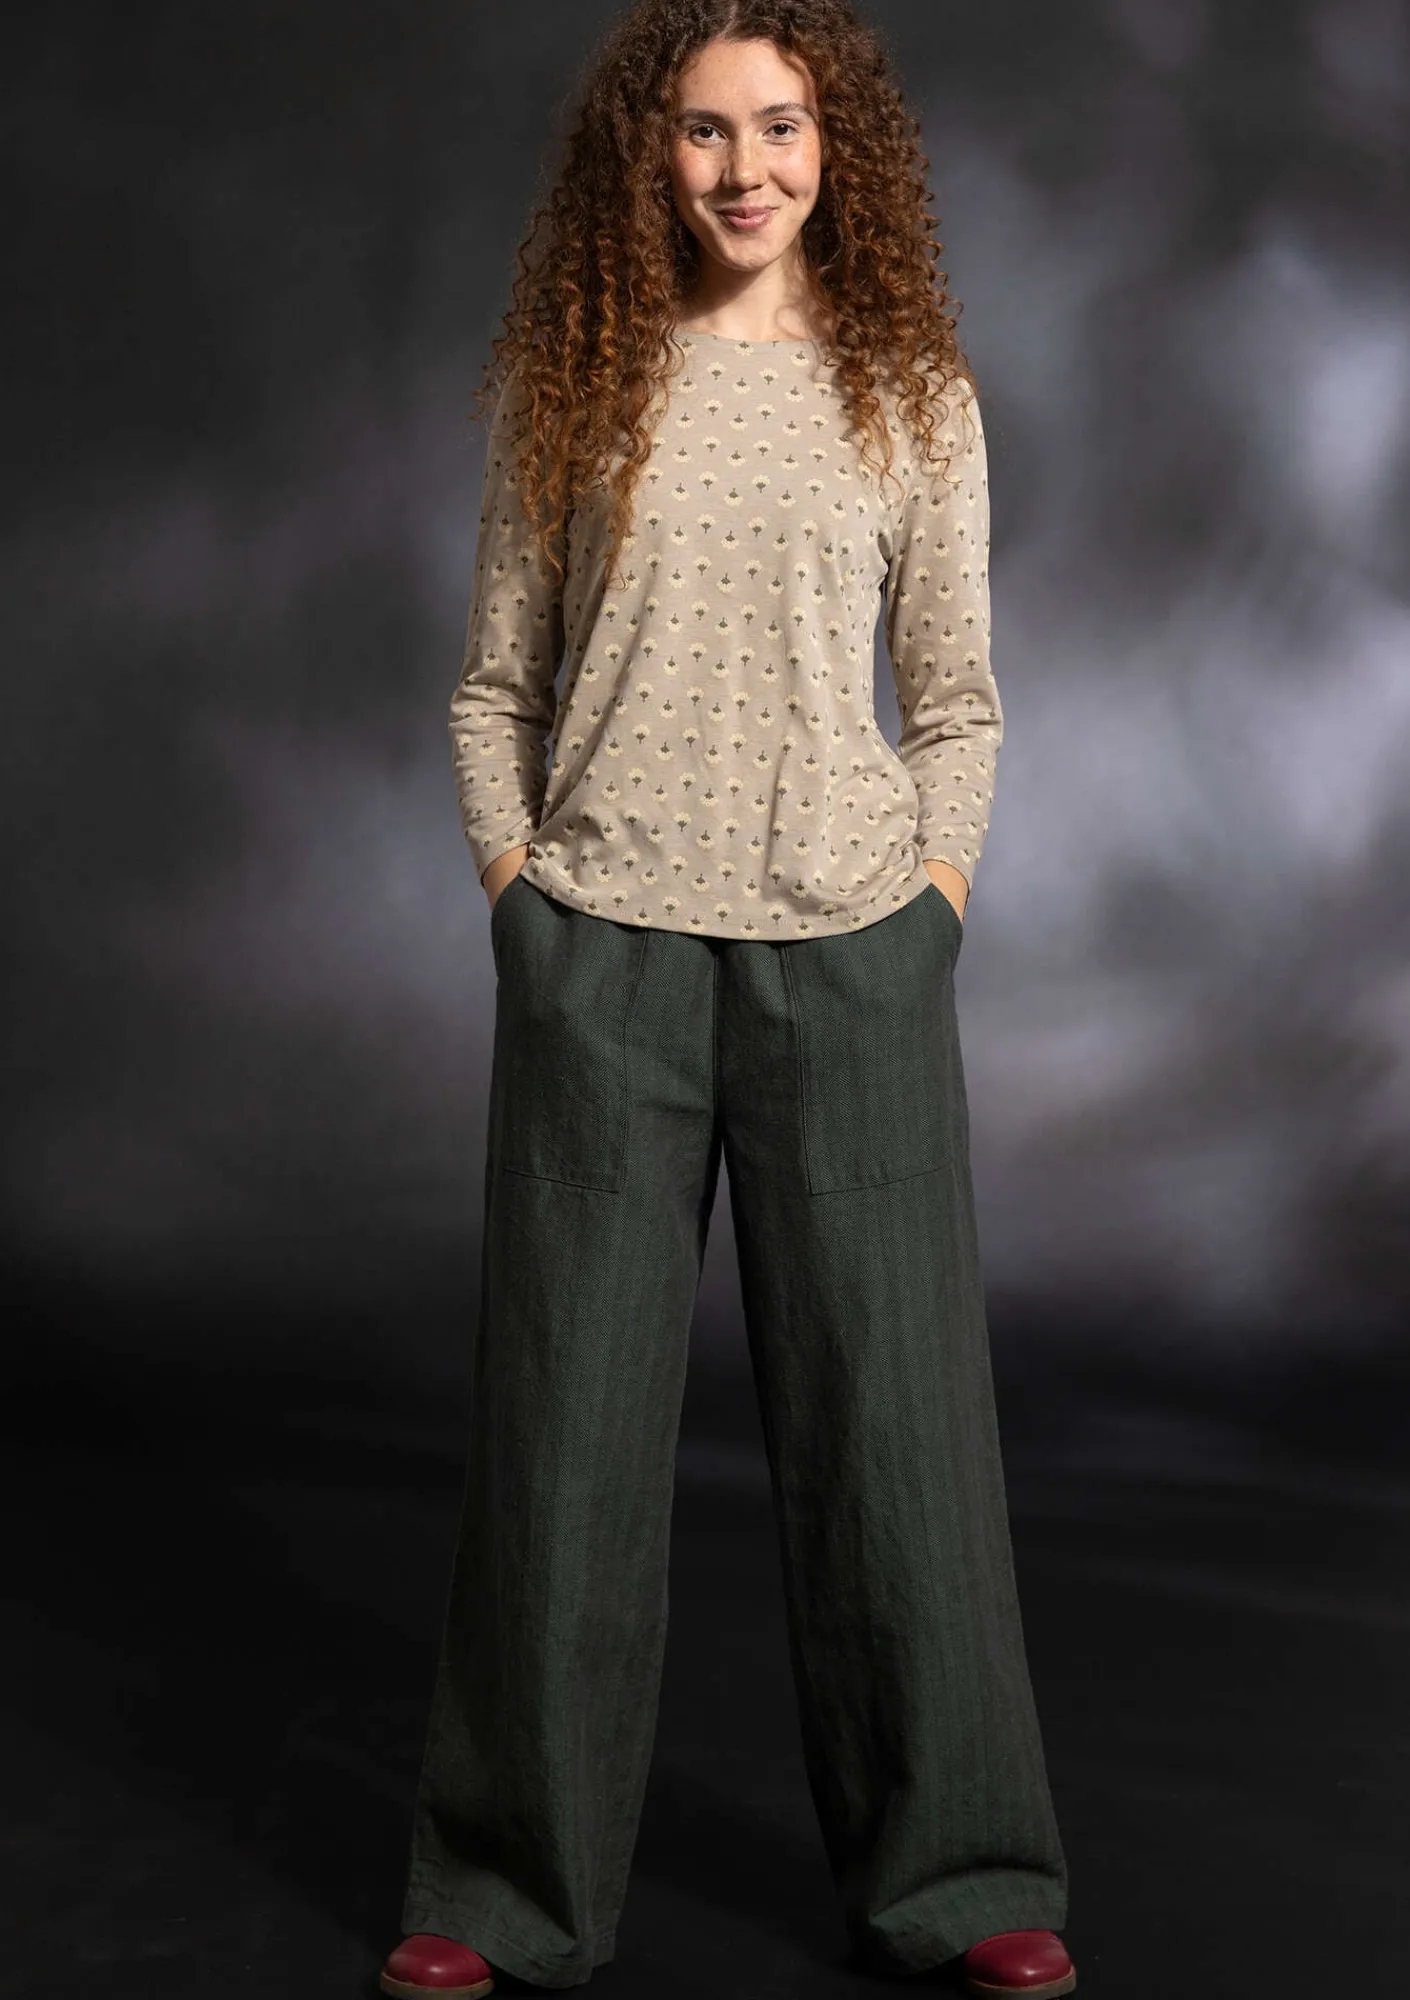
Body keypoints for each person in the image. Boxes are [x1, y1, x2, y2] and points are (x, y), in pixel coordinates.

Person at [380, 5, 1074, 1995]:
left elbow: (957, 701)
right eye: (702, 130)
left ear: (837, 145)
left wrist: (930, 907)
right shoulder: (575, 380)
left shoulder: (910, 392)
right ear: (650, 153)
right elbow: (493, 686)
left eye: (778, 125)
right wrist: (520, 897)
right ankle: (500, 1893)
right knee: (563, 1444)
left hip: (851, 958)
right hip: (598, 957)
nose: (743, 167)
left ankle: (964, 1871)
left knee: (897, 1439)